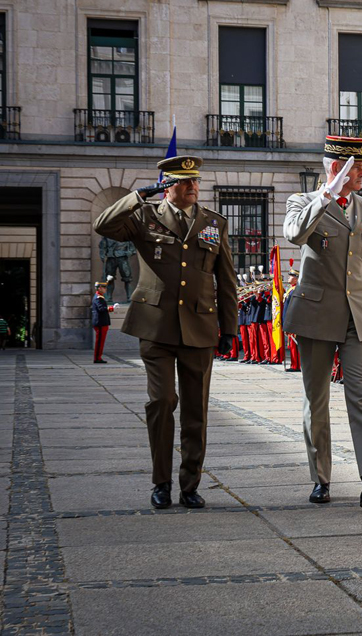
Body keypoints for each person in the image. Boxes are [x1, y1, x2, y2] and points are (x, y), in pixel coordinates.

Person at [93, 153, 237, 509]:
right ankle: (161, 482)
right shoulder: (145, 216)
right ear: (167, 186)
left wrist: (229, 328)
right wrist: (137, 197)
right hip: (155, 326)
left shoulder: (213, 222)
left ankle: (190, 484)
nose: (192, 187)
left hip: (199, 327)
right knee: (161, 401)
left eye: (195, 181)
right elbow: (103, 225)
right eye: (184, 182)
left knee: (195, 410)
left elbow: (227, 280)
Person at [283, 135, 362, 508]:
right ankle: (321, 478)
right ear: (337, 168)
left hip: (357, 314)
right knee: (316, 399)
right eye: (356, 168)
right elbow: (294, 234)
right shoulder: (302, 202)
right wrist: (325, 197)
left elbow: (360, 263)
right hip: (316, 314)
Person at [91, 277, 117, 363]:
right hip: (100, 322)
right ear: (99, 288)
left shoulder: (100, 297)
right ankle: (97, 358)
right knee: (99, 342)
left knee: (101, 341)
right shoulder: (98, 298)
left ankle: (98, 357)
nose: (105, 289)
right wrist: (111, 308)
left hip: (101, 322)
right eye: (104, 287)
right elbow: (101, 309)